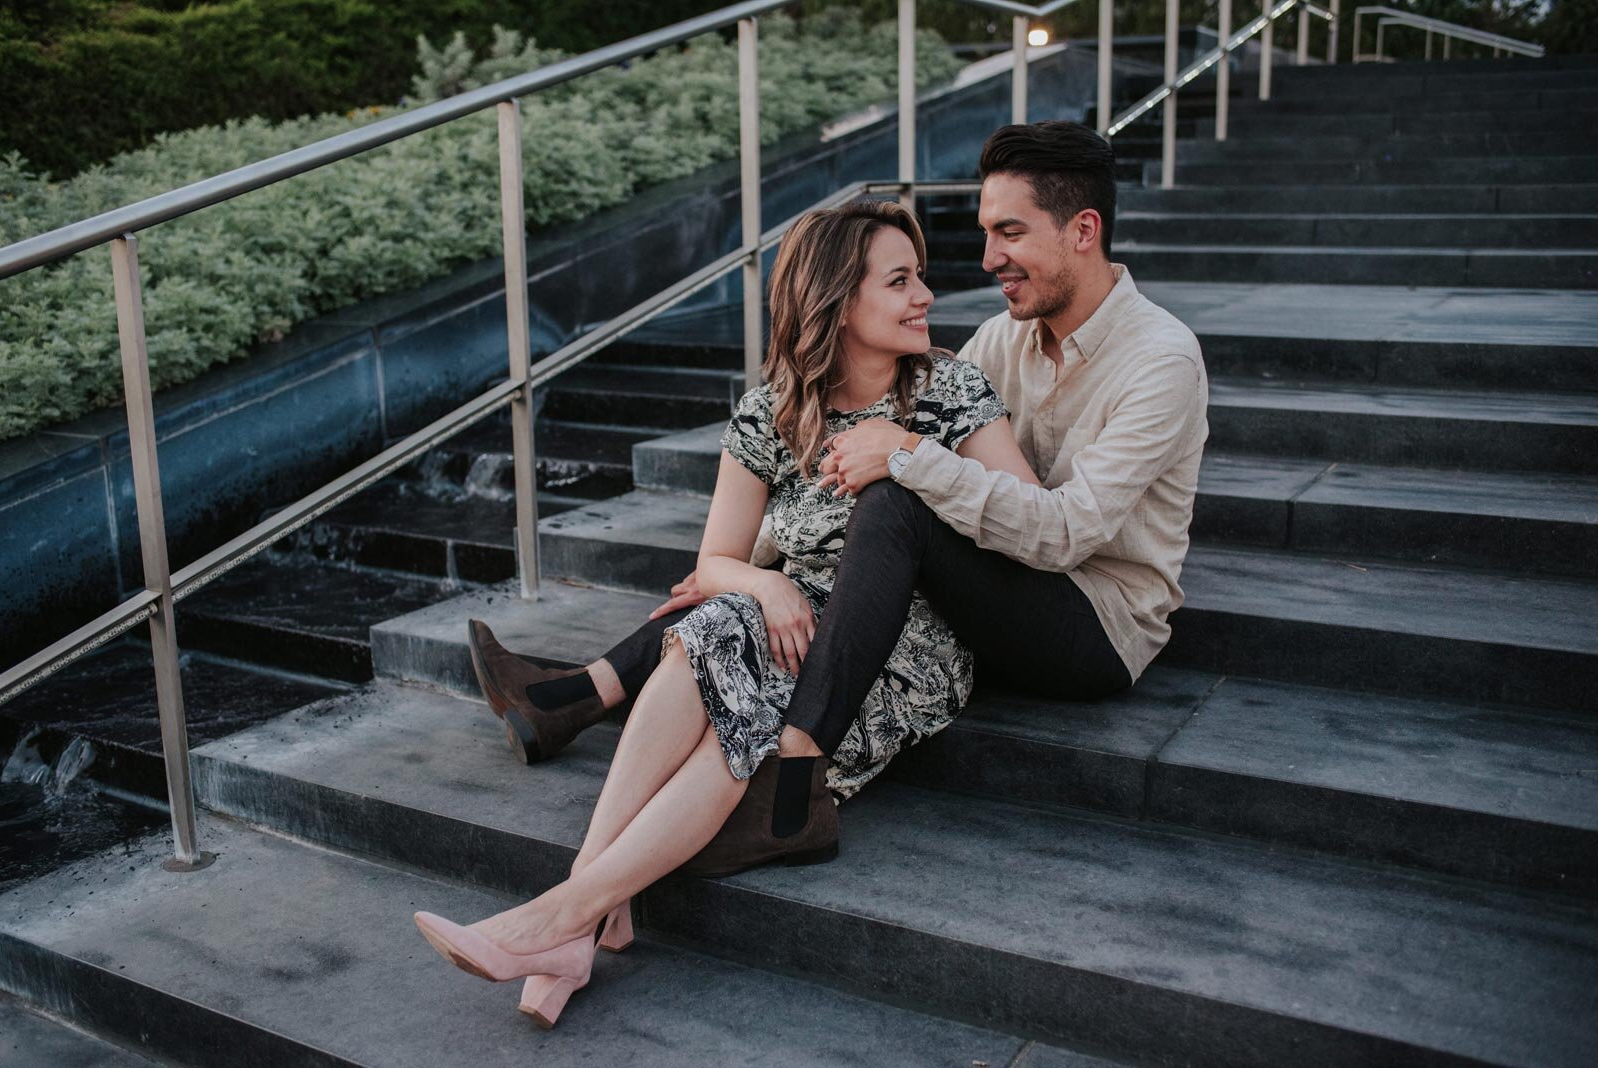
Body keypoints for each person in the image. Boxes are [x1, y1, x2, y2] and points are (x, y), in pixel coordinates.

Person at [468, 120, 1208, 873]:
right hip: (996, 574)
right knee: (768, 581)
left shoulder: (1161, 360)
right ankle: (569, 702)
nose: (987, 260)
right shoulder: (999, 340)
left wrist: (906, 454)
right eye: (986, 233)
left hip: (1091, 618)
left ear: (1083, 230)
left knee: (891, 503)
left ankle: (796, 764)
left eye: (1008, 233)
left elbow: (1064, 535)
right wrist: (747, 578)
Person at [417, 199, 1037, 1026]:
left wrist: (914, 456)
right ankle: (583, 913)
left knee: (735, 698)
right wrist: (767, 584)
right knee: (706, 626)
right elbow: (713, 562)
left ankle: (565, 913)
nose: (925, 294)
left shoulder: (948, 390)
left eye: (918, 276)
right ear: (835, 302)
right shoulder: (769, 413)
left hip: (895, 651)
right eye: (900, 280)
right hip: (792, 617)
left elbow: (1026, 516)